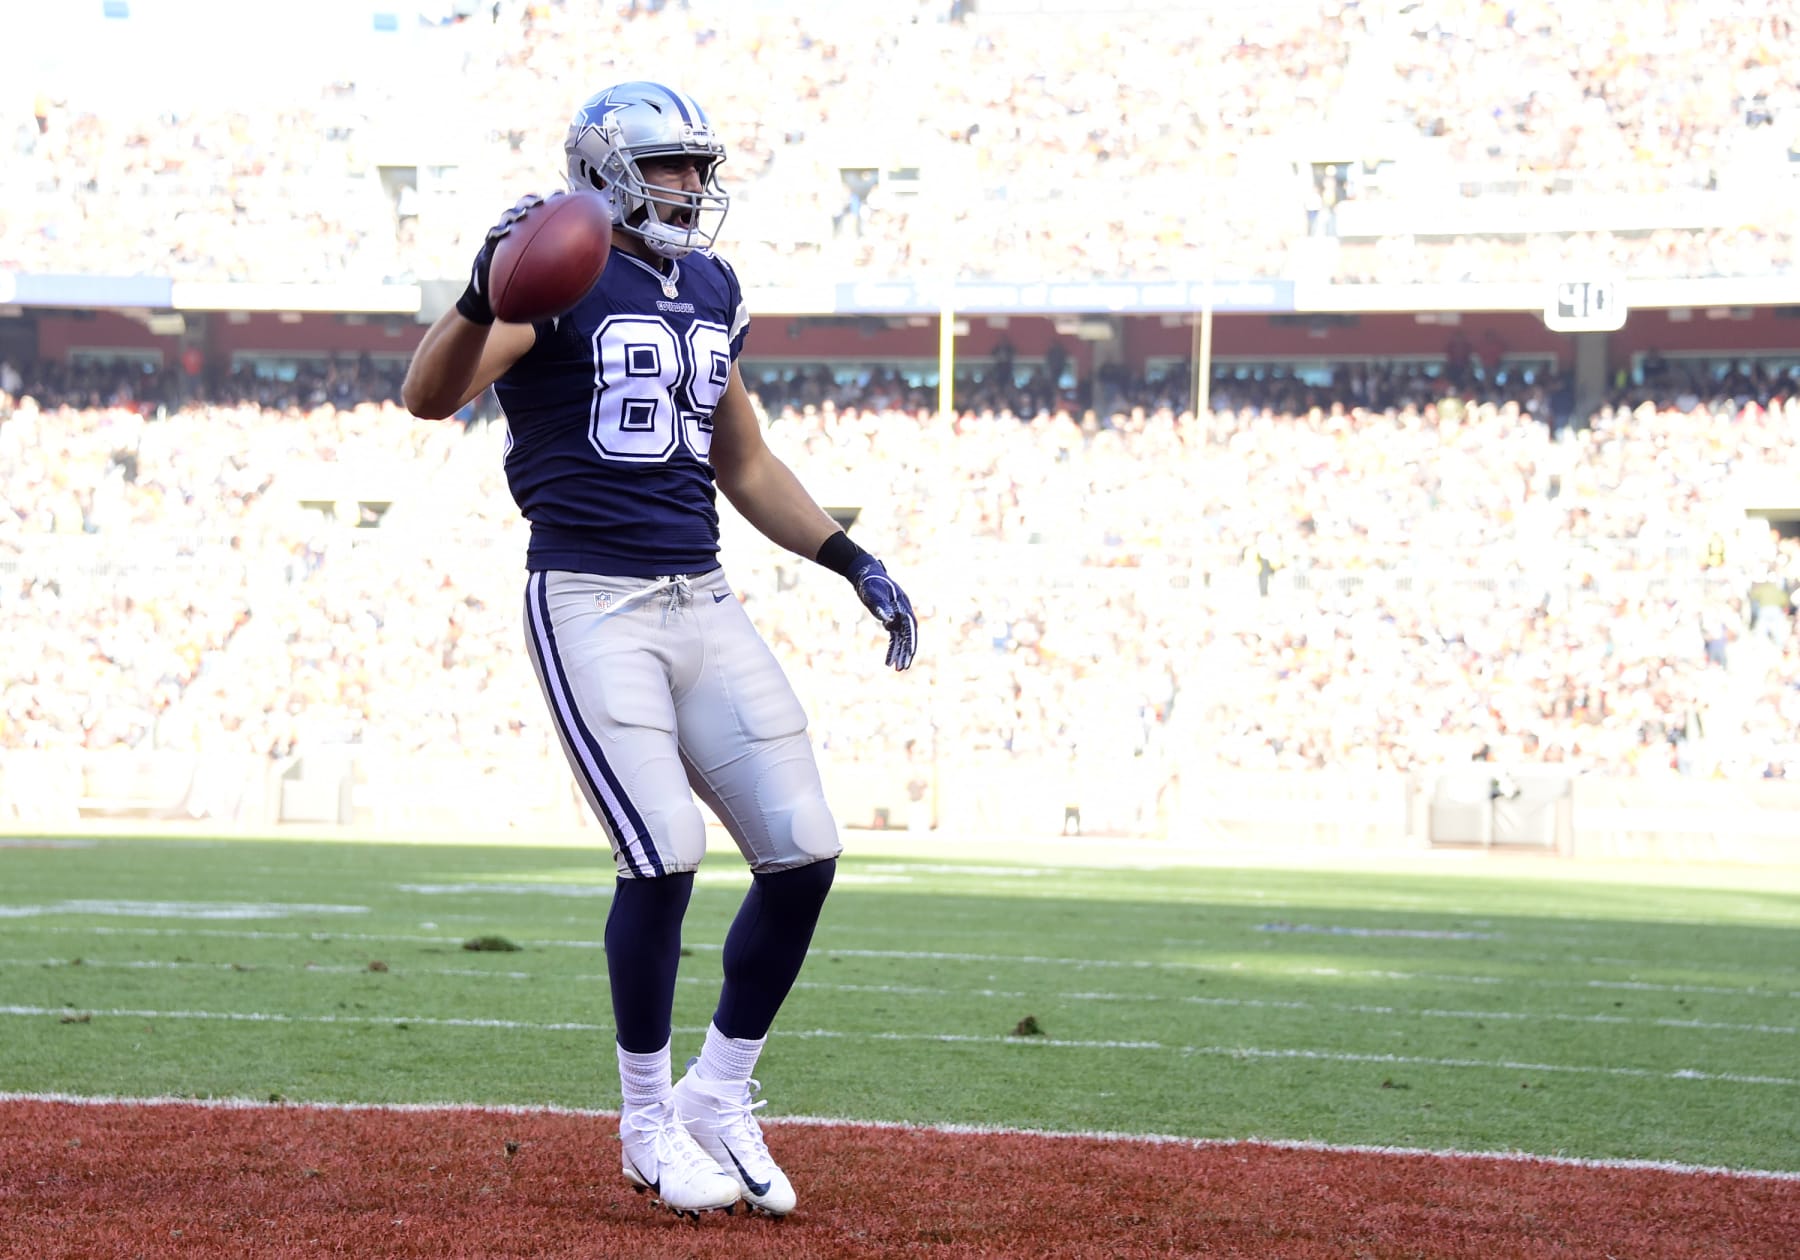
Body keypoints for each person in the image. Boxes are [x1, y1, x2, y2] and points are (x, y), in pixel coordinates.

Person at [401, 80, 918, 1219]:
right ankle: (641, 1122)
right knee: (664, 853)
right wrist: (479, 295)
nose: (693, 186)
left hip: (704, 596)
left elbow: (745, 463)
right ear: (606, 173)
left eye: (697, 166)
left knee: (805, 850)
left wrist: (849, 558)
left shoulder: (714, 283)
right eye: (672, 167)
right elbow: (428, 395)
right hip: (592, 599)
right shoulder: (562, 266)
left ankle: (716, 1094)